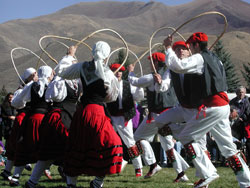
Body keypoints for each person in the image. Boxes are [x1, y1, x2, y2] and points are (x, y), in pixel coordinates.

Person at [155, 33, 250, 188]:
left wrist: (167, 48)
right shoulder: (216, 59)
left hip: (212, 107)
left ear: (196, 45)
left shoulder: (200, 58)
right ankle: (246, 183)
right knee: (228, 149)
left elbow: (178, 66)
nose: (189, 50)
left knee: (186, 136)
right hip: (222, 107)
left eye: (190, 46)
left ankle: (208, 173)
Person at [57, 41, 123, 188]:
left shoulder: (82, 66)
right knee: (112, 145)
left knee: (77, 147)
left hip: (82, 112)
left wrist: (69, 56)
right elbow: (111, 97)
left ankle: (71, 185)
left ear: (92, 52)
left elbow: (62, 72)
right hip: (97, 113)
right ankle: (97, 182)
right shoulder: (108, 74)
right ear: (106, 56)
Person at [128, 52, 190, 182]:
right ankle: (181, 173)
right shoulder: (170, 74)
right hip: (169, 114)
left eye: (151, 61)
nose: (150, 64)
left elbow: (135, 82)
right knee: (167, 145)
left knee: (138, 137)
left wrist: (131, 72)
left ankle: (153, 164)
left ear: (156, 63)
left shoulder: (152, 77)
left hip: (156, 116)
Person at [24, 46, 80, 188]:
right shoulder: (59, 81)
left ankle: (69, 184)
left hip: (71, 118)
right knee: (48, 153)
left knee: (66, 152)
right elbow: (53, 94)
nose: (75, 65)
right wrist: (69, 56)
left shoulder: (77, 83)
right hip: (59, 119)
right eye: (73, 63)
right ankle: (32, 182)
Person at [10, 65, 54, 186]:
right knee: (44, 149)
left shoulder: (31, 85)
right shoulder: (52, 86)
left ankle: (15, 177)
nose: (52, 76)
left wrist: (25, 103)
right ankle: (31, 180)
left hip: (31, 118)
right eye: (51, 74)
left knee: (24, 146)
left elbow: (16, 102)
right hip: (44, 120)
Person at [1, 68, 38, 181]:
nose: (37, 75)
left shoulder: (33, 87)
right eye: (34, 74)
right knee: (17, 145)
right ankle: (12, 172)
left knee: (17, 145)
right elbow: (17, 104)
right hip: (22, 118)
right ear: (30, 76)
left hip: (26, 117)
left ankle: (8, 171)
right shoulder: (22, 90)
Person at [107, 63, 144, 177]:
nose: (118, 73)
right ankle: (113, 164)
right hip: (112, 117)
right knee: (108, 142)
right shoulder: (108, 85)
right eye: (115, 70)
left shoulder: (128, 85)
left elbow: (139, 97)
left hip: (125, 117)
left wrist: (139, 87)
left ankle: (138, 168)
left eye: (120, 71)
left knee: (130, 142)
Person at [230, 87, 250, 165]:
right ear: (236, 93)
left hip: (245, 124)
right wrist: (236, 117)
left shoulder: (248, 101)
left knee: (248, 143)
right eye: (239, 92)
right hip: (235, 125)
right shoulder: (232, 101)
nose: (241, 94)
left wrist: (243, 118)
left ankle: (248, 160)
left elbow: (248, 111)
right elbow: (231, 111)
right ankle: (234, 159)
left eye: (242, 92)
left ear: (245, 93)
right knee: (233, 141)